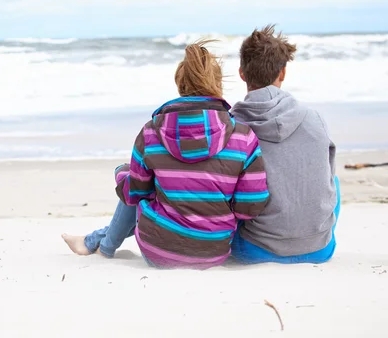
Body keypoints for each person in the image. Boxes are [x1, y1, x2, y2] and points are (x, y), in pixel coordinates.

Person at [62, 41, 270, 269]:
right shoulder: (244, 136)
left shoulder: (151, 131)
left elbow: (134, 195)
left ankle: (100, 244)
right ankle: (97, 243)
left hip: (157, 252)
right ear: (218, 85)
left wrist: (121, 175)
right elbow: (249, 206)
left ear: (180, 85)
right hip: (214, 252)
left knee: (134, 180)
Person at [230, 25, 340, 264]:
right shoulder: (314, 118)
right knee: (333, 179)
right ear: (283, 73)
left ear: (241, 73)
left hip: (254, 249)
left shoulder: (232, 127)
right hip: (320, 248)